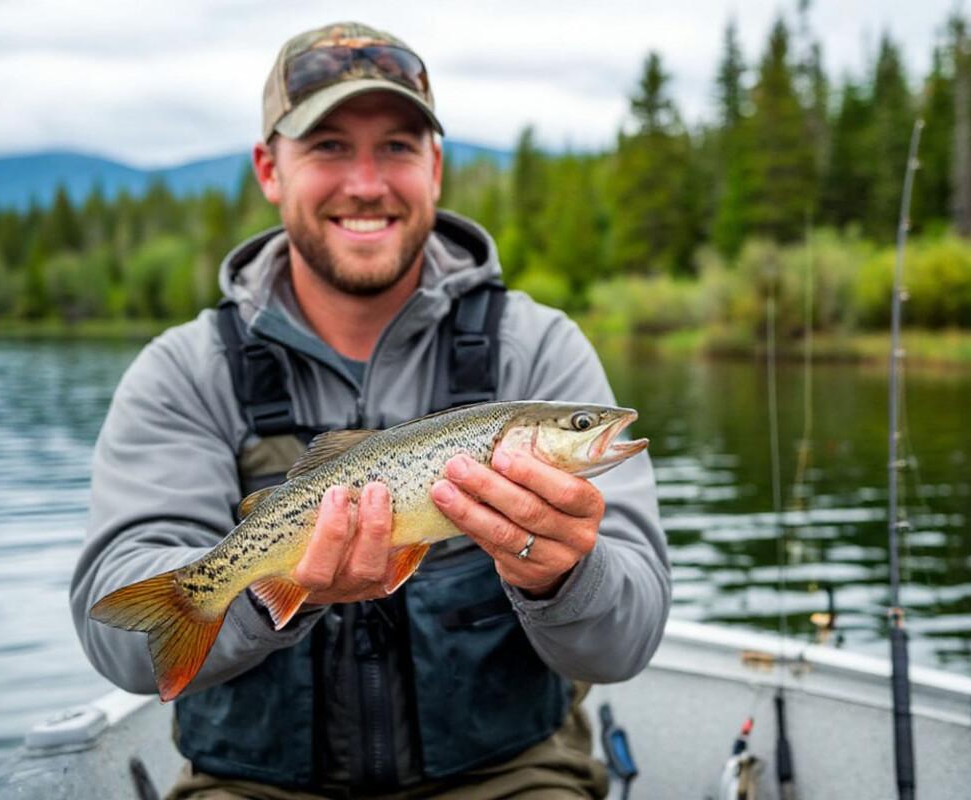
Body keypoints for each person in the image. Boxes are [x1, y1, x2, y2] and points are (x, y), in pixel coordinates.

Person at [71, 21, 670, 800]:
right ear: (268, 169)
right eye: (327, 147)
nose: (365, 182)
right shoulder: (184, 371)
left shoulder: (538, 347)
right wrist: (264, 589)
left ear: (436, 168)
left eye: (396, 146)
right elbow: (116, 640)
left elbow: (629, 640)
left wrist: (566, 574)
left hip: (512, 777)